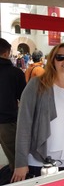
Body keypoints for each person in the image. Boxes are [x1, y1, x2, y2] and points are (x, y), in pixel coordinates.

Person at [11, 43, 64, 181]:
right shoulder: (37, 84)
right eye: (60, 57)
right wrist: (21, 162)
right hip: (40, 159)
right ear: (53, 60)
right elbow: (24, 124)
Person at [0, 38, 26, 171]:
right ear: (6, 53)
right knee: (17, 160)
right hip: (7, 121)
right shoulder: (15, 73)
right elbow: (24, 99)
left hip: (6, 120)